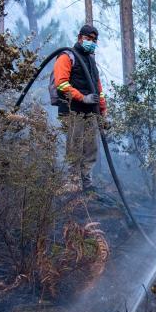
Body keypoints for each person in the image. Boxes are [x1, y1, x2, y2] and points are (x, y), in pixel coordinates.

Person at [53, 24, 108, 194]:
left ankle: (87, 184)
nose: (91, 42)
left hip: (91, 112)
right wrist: (82, 97)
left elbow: (98, 87)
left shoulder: (91, 60)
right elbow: (61, 83)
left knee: (91, 148)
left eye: (94, 40)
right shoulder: (67, 56)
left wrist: (103, 111)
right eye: (88, 39)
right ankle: (72, 182)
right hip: (73, 110)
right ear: (80, 38)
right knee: (75, 146)